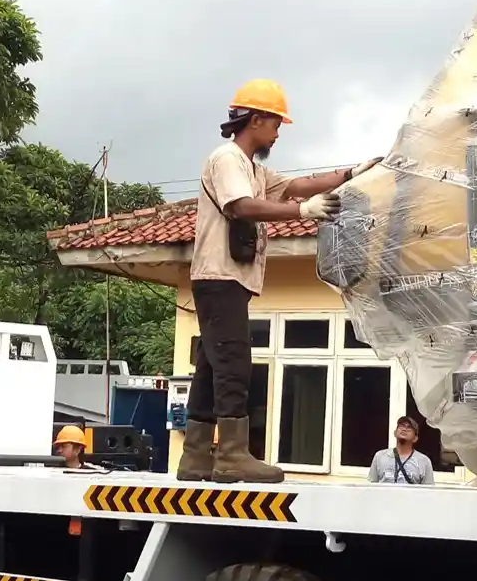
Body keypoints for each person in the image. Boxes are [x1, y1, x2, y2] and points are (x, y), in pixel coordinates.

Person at [179, 78, 383, 484]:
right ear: (255, 120)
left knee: (211, 365)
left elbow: (295, 185)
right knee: (235, 365)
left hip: (227, 279)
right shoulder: (227, 160)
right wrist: (303, 211)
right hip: (218, 277)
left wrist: (350, 173)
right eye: (275, 124)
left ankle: (195, 457)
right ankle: (232, 456)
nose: (277, 133)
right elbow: (242, 206)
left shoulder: (252, 168)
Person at [368, 414, 437, 485]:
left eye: (409, 427)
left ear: (415, 438)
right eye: (401, 426)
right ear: (395, 433)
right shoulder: (379, 456)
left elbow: (429, 492)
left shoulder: (424, 461)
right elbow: (371, 487)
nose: (404, 429)